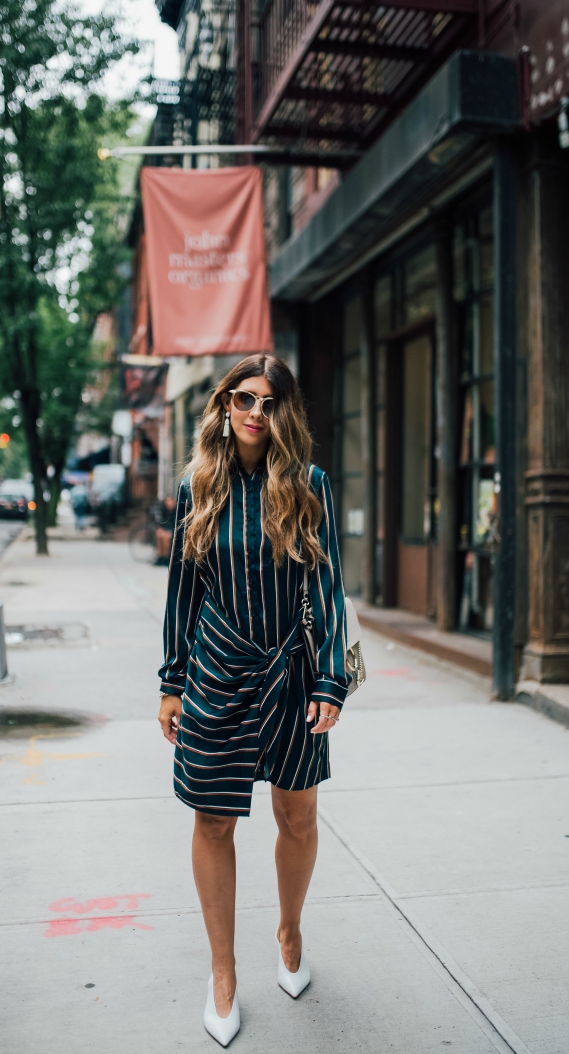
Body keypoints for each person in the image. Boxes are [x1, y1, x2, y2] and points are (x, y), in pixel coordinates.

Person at [157, 353, 348, 1046]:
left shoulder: (308, 485)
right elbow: (182, 588)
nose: (256, 413)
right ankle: (223, 972)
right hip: (215, 672)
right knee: (213, 822)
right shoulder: (198, 485)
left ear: (284, 411)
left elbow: (327, 587)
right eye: (245, 398)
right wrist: (171, 679)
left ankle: (290, 928)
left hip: (293, 672)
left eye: (270, 402)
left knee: (296, 815)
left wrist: (331, 678)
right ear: (226, 402)